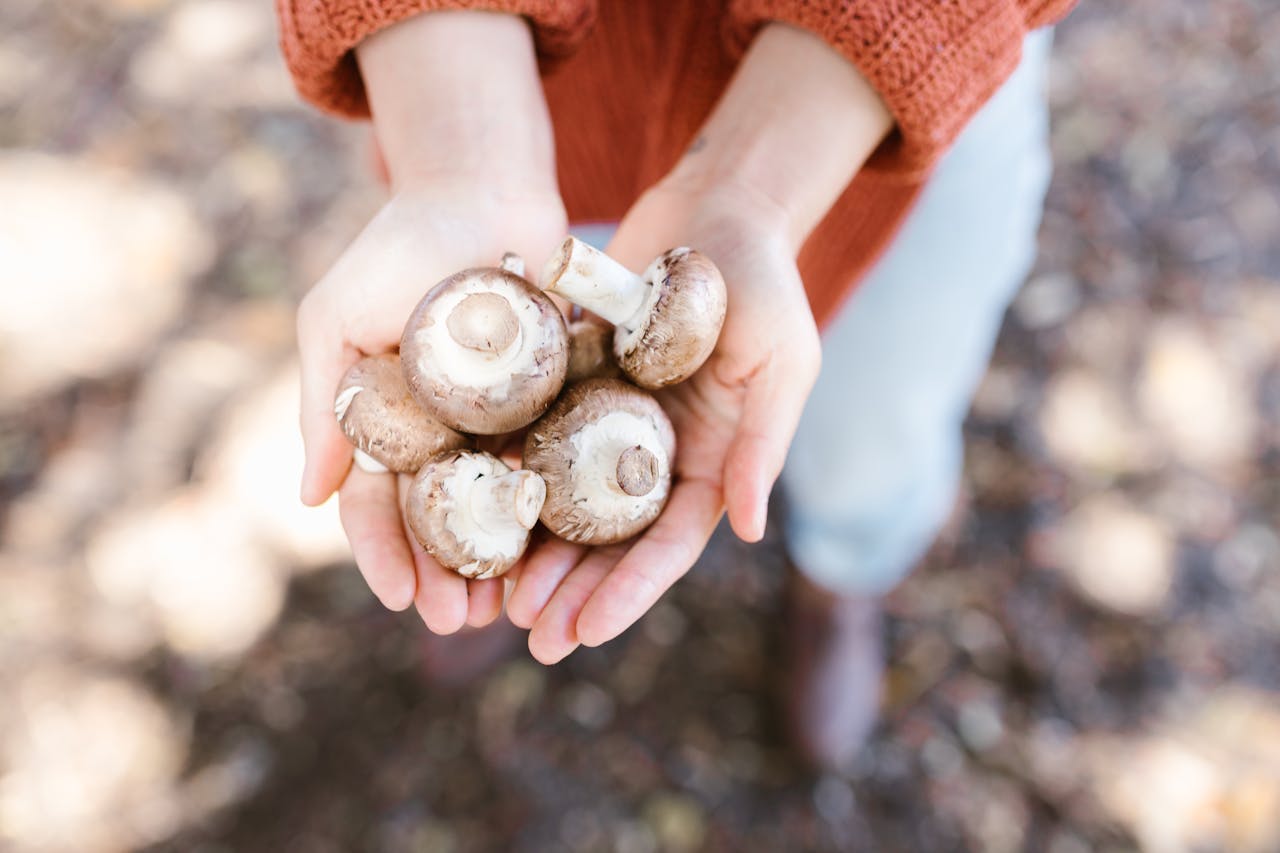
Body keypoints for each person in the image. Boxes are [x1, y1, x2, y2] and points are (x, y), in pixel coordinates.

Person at [281, 1, 1075, 769]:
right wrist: (456, 160)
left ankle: (843, 579)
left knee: (877, 418)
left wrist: (754, 192)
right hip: (525, 92)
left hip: (908, 91)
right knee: (558, 313)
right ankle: (483, 546)